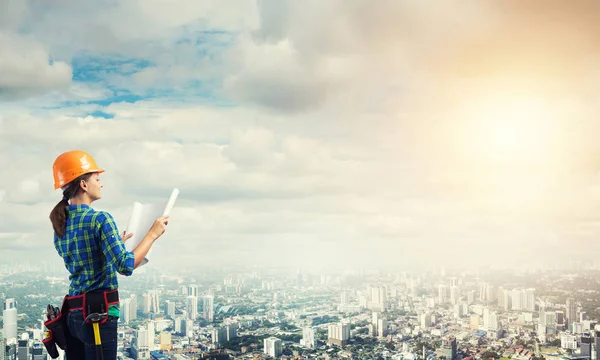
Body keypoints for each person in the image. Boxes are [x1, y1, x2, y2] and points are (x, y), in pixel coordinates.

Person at [49, 150, 169, 360]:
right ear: (84, 184)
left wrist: (112, 247)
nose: (101, 183)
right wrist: (152, 234)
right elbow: (125, 265)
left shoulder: (60, 226)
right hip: (97, 316)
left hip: (73, 317)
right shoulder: (100, 219)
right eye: (97, 178)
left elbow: (87, 263)